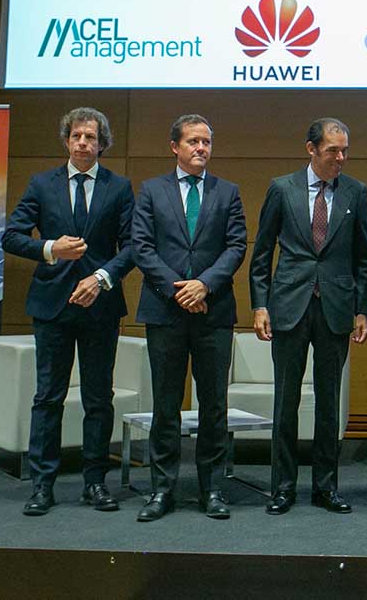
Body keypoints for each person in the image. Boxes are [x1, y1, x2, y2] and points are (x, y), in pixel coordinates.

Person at [2, 107, 136, 517]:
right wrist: (50, 249)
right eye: (76, 135)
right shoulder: (42, 184)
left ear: (102, 144)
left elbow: (133, 246)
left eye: (90, 137)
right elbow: (12, 236)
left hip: (100, 305)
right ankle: (43, 484)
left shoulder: (119, 187)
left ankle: (95, 482)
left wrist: (101, 278)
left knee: (98, 398)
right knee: (48, 397)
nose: (82, 143)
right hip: (52, 305)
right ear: (66, 140)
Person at [249, 118, 367, 515]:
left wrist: (362, 309)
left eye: (345, 151)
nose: (340, 158)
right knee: (285, 401)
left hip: (336, 308)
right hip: (289, 305)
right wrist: (259, 305)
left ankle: (326, 487)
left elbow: (363, 258)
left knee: (329, 402)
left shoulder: (356, 191)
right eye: (332, 150)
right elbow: (261, 252)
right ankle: (283, 488)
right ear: (311, 149)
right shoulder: (281, 188)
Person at [131, 115, 247, 521]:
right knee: (165, 404)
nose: (201, 148)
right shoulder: (151, 190)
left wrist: (204, 285)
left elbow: (236, 246)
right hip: (165, 310)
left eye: (206, 142)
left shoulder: (227, 192)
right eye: (193, 141)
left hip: (213, 311)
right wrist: (180, 289)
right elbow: (142, 247)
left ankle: (211, 489)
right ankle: (162, 489)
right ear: (174, 147)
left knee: (214, 404)